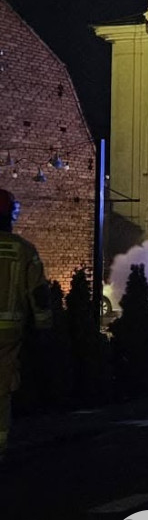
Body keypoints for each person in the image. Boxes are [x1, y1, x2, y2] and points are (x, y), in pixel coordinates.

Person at [0, 190, 52, 463]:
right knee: (2, 391)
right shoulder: (24, 251)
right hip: (8, 335)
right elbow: (40, 296)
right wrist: (44, 329)